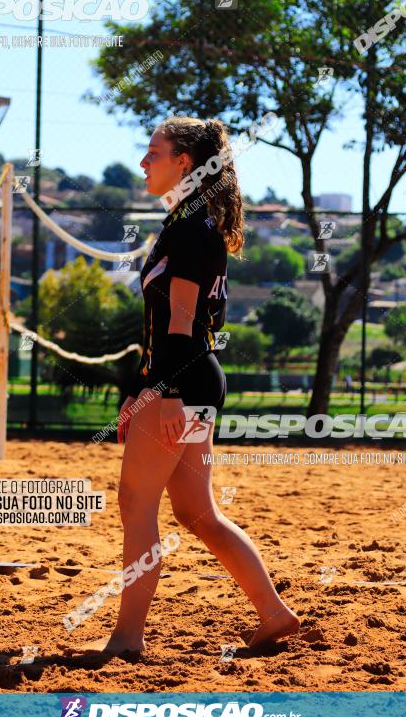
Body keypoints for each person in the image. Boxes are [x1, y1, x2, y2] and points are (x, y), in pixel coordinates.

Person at [80, 117, 300, 656]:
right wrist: (139, 388)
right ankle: (274, 614)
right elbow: (163, 327)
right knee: (197, 513)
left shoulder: (189, 226)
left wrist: (166, 392)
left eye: (152, 152)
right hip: (192, 377)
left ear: (184, 162)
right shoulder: (189, 221)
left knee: (136, 503)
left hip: (182, 381)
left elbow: (180, 323)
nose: (142, 162)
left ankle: (127, 637)